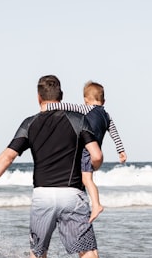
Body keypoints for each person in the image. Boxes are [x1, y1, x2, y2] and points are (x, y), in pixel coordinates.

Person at [0, 75, 104, 258]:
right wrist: (92, 170)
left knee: (37, 257)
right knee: (89, 255)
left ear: (39, 98)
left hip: (42, 196)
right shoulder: (78, 120)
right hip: (72, 195)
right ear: (61, 96)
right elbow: (97, 155)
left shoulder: (30, 123)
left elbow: (7, 156)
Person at [46, 80, 127, 222]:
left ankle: (96, 205)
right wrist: (121, 151)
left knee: (87, 179)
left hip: (86, 150)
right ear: (104, 100)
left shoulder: (86, 109)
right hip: (96, 150)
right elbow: (115, 134)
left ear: (85, 100)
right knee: (85, 179)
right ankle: (86, 204)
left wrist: (48, 106)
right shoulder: (107, 116)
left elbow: (65, 106)